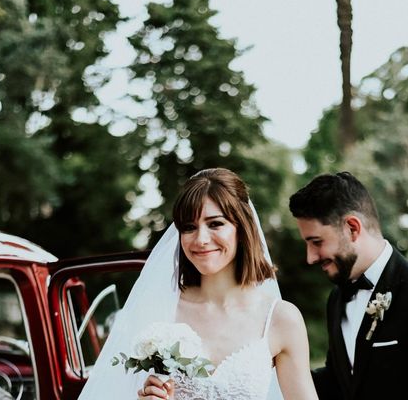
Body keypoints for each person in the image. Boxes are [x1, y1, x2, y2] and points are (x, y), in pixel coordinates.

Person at [80, 168, 318, 400]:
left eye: (215, 224)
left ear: (242, 229)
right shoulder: (159, 310)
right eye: (189, 227)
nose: (201, 240)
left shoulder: (281, 319)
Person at [289, 172, 408, 400]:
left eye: (316, 242)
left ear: (352, 228)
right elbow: (340, 380)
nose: (310, 257)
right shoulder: (337, 298)